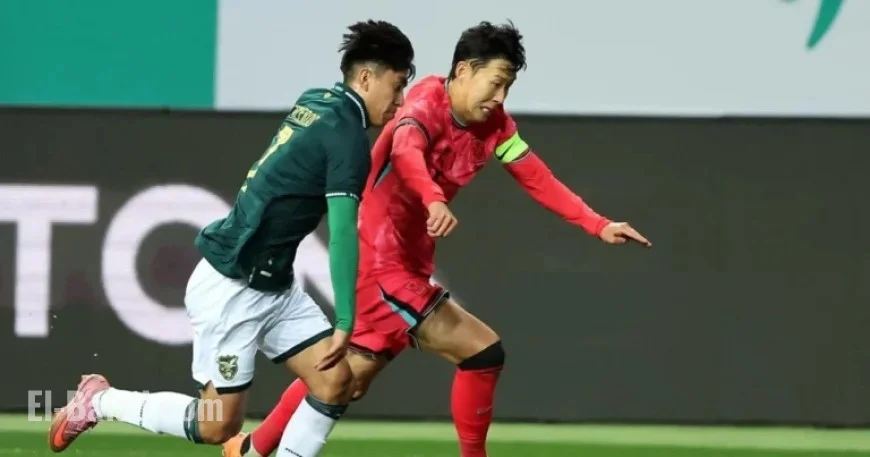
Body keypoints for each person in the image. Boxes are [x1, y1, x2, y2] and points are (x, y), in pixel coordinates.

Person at [223, 20, 651, 457]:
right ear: (463, 70)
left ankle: (250, 448)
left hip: (406, 264)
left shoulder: (496, 126)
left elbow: (535, 176)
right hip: (378, 260)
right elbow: (406, 151)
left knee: (344, 378)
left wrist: (598, 224)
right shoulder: (424, 104)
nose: (501, 96)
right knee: (482, 352)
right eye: (496, 82)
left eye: (508, 86)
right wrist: (433, 198)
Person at [47, 20, 416, 457]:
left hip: (275, 285)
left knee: (335, 382)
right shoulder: (348, 139)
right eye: (397, 86)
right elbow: (340, 234)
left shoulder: (316, 100)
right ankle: (100, 401)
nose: (400, 100)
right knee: (217, 425)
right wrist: (345, 321)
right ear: (366, 78)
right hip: (233, 288)